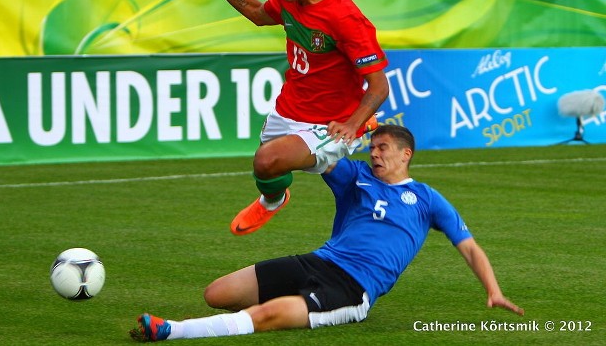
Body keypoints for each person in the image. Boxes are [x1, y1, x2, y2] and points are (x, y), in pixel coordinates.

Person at [129, 125, 525, 342]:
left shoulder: (427, 198)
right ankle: (273, 313)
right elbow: (315, 160)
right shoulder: (357, 176)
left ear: (406, 154)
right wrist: (333, 138)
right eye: (372, 147)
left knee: (267, 316)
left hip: (353, 289)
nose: (374, 154)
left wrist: (493, 289)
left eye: (383, 148)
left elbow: (469, 248)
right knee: (216, 294)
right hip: (317, 261)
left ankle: (172, 332)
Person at [175, 0, 390, 236]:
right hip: (289, 108)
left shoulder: (345, 18)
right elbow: (257, 13)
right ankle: (276, 195)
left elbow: (379, 84)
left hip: (331, 120)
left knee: (268, 160)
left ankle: (356, 130)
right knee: (267, 167)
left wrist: (352, 122)